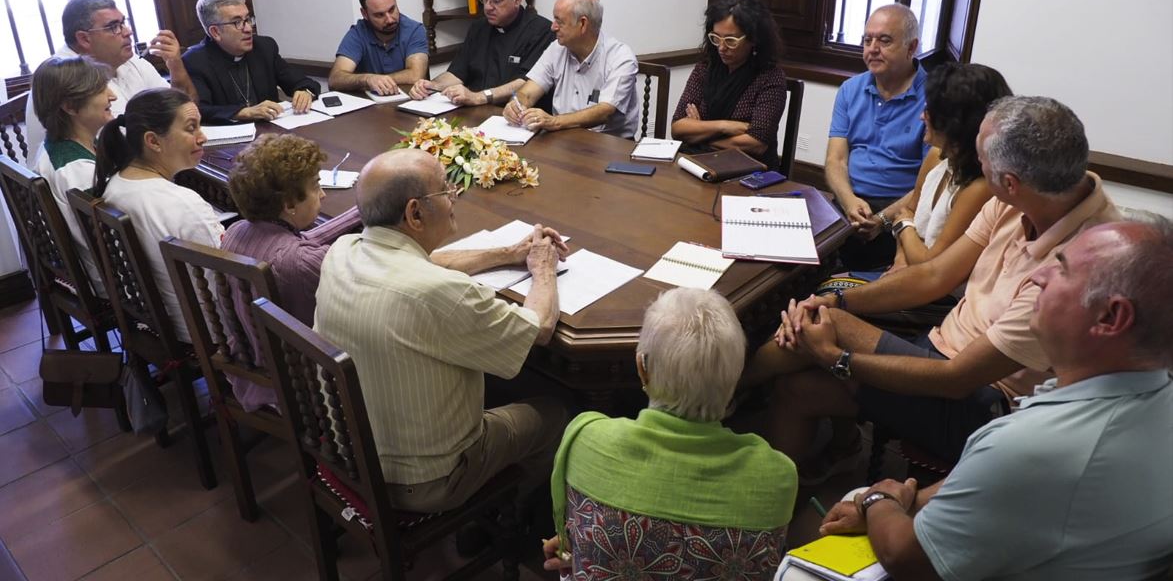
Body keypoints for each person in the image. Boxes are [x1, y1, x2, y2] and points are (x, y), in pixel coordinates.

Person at [763, 96, 1120, 479]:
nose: (974, 163)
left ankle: (720, 391)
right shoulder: (1024, 199)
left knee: (824, 323)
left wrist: (839, 359)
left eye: (980, 156)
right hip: (938, 349)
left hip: (984, 403)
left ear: (1010, 183)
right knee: (797, 384)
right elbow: (934, 276)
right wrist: (838, 298)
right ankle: (781, 459)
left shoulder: (1080, 266)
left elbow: (958, 379)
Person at [817, 219, 1173, 581]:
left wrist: (880, 500)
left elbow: (905, 557)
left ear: (1111, 317)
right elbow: (996, 483)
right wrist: (912, 497)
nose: (1039, 277)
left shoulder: (1034, 446)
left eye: (1062, 269)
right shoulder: (1154, 392)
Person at [314, 148, 570, 513]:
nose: (454, 199)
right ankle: (508, 516)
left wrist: (510, 252)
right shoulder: (441, 294)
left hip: (351, 451)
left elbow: (424, 261)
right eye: (447, 190)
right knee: (558, 414)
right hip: (427, 481)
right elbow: (538, 328)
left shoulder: (343, 251)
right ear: (414, 212)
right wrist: (543, 268)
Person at [543, 288, 798, 579]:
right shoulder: (777, 477)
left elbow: (575, 539)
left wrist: (585, 548)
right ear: (735, 377)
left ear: (642, 368)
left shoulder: (585, 439)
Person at [812, 63, 1012, 316]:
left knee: (825, 302)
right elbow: (907, 210)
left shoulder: (980, 187)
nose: (921, 116)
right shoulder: (938, 155)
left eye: (930, 110)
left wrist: (905, 226)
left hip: (941, 299)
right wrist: (900, 259)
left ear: (956, 122)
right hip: (909, 273)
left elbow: (930, 263)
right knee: (820, 287)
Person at [219, 134, 362, 411]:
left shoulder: (239, 230)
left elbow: (304, 241)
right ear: (289, 204)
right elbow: (372, 272)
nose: (322, 194)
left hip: (249, 361)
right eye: (316, 186)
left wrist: (361, 212)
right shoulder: (299, 262)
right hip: (299, 385)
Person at [94, 89, 224, 343]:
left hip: (158, 318)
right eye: (191, 129)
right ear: (153, 141)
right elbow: (228, 282)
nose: (203, 137)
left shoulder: (116, 184)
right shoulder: (184, 204)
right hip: (207, 329)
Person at [24, 0, 196, 167]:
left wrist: (175, 65)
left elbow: (184, 110)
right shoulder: (66, 78)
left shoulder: (127, 59)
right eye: (113, 27)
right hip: (92, 179)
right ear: (84, 38)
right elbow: (120, 146)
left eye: (123, 22)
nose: (128, 31)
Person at [826, 3, 929, 270]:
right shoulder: (850, 89)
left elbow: (930, 182)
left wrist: (884, 219)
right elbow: (836, 161)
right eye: (867, 39)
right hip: (849, 201)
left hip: (903, 208)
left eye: (884, 40)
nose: (872, 49)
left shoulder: (934, 97)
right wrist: (849, 201)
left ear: (911, 47)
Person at [409, 0, 554, 109]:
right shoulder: (479, 27)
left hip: (513, 114)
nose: (487, 7)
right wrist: (431, 86)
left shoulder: (541, 31)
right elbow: (457, 73)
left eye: (496, 0)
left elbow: (526, 83)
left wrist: (479, 97)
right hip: (474, 110)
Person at [502, 0, 639, 138]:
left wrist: (554, 122)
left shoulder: (620, 57)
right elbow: (527, 93)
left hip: (609, 145)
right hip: (564, 140)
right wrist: (516, 104)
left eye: (559, 21)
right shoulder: (556, 49)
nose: (552, 27)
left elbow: (605, 112)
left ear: (583, 24)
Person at [670, 0, 787, 166]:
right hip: (697, 162)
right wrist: (724, 126)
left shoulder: (769, 77)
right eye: (716, 38)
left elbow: (756, 143)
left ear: (753, 39)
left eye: (731, 40)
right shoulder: (705, 68)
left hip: (749, 169)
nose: (721, 48)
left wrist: (700, 133)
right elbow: (678, 127)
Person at [30, 55, 115, 286]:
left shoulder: (56, 145)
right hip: (116, 281)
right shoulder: (77, 171)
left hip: (103, 268)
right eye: (100, 90)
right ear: (69, 106)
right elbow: (114, 243)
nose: (112, 96)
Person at [181, 0, 320, 124]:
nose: (248, 28)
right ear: (215, 32)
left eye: (247, 19)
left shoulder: (264, 47)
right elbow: (200, 109)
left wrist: (305, 92)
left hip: (273, 133)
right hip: (230, 138)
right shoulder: (195, 61)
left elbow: (301, 82)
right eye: (237, 22)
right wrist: (243, 112)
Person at [328, 0, 428, 96]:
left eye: (392, 10)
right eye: (379, 15)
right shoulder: (358, 33)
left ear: (395, 0)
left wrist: (379, 80)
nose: (390, 19)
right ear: (365, 14)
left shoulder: (414, 30)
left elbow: (415, 75)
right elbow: (335, 79)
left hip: (409, 102)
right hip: (371, 108)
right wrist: (368, 79)